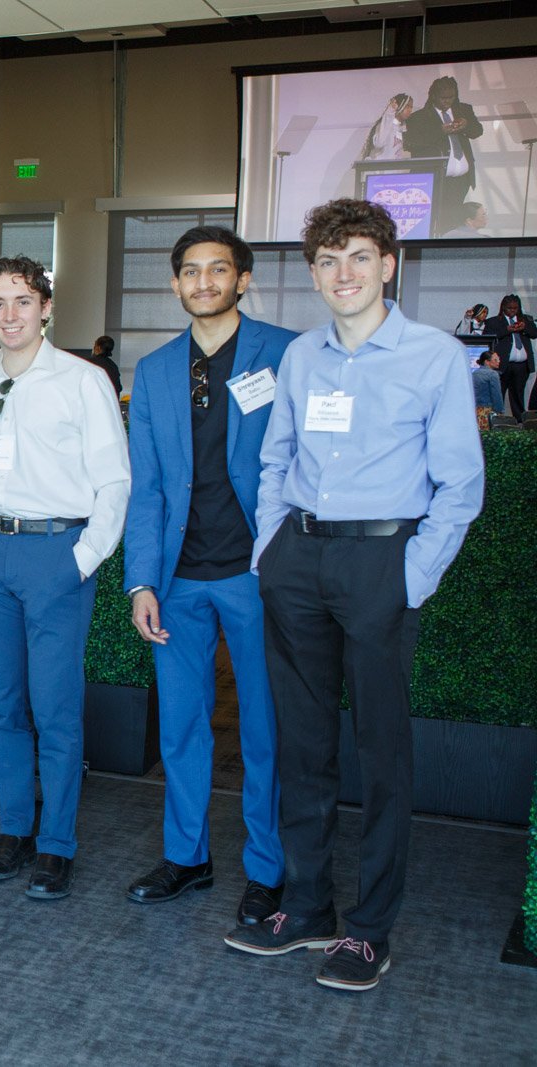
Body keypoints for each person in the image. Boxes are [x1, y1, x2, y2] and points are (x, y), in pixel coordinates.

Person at [224, 199, 483, 992]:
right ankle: (307, 907)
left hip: (382, 562)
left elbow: (461, 485)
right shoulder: (302, 356)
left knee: (380, 752)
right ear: (313, 273)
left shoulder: (435, 356)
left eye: (360, 257)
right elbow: (276, 459)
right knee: (303, 745)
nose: (345, 274)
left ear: (389, 265)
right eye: (329, 260)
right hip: (299, 558)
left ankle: (370, 929)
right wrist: (271, 550)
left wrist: (412, 575)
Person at [0, 255, 130, 901]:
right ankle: (14, 829)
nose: (10, 314)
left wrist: (83, 558)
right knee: (6, 706)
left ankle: (56, 844)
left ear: (46, 307)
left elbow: (114, 481)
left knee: (55, 709)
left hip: (57, 555)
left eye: (23, 300)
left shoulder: (83, 381)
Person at [123, 226, 297, 926]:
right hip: (178, 579)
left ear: (242, 279)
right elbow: (146, 487)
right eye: (191, 271)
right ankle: (187, 856)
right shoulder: (155, 369)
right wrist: (141, 581)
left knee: (265, 729)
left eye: (218, 269)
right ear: (175, 284)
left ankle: (268, 868)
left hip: (258, 572)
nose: (204, 281)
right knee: (182, 727)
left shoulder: (285, 354)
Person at [402, 76, 483, 227]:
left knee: (452, 223)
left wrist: (466, 125)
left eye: (451, 97)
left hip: (461, 180)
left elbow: (477, 131)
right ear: (433, 96)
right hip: (435, 181)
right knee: (431, 222)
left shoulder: (464, 110)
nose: (447, 101)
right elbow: (411, 143)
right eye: (443, 98)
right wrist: (440, 131)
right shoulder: (419, 117)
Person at [488, 294, 536, 420]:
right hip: (502, 365)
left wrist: (524, 328)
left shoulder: (525, 319)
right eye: (510, 308)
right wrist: (507, 330)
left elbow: (534, 333)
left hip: (521, 365)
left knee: (518, 395)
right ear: (503, 307)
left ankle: (520, 421)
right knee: (499, 393)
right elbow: (488, 336)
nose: (512, 311)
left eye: (515, 308)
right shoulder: (494, 321)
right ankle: (497, 419)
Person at [358, 93, 413, 161]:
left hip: (393, 167)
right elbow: (379, 143)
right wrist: (389, 113)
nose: (410, 110)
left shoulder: (402, 128)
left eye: (411, 107)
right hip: (379, 166)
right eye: (407, 106)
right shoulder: (385, 124)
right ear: (399, 106)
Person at [472, 350, 503, 426]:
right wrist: (500, 410)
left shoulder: (474, 373)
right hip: (487, 411)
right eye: (495, 360)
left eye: (498, 359)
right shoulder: (493, 374)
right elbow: (496, 395)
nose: (498, 361)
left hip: (475, 410)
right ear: (487, 362)